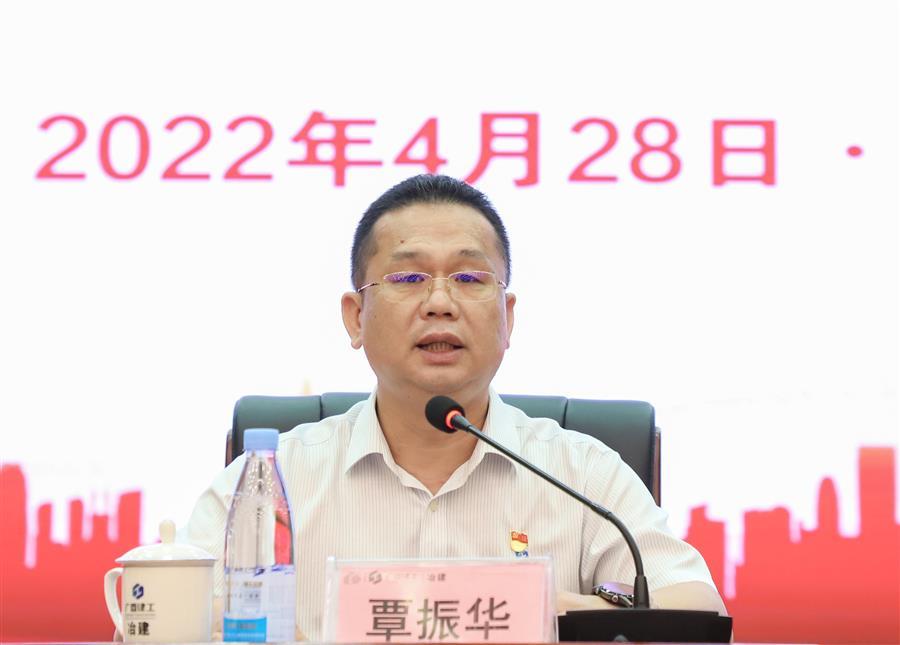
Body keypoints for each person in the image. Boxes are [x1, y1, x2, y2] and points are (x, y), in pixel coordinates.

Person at [183, 174, 727, 640]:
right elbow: (172, 614)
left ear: (508, 318)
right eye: (408, 278)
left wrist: (545, 609)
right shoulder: (273, 480)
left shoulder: (581, 472)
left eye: (469, 278)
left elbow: (698, 609)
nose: (440, 302)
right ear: (355, 316)